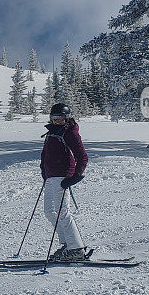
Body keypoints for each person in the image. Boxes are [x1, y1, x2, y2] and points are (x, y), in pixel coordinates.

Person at [40, 103, 89, 261]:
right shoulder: (52, 132)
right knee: (49, 211)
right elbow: (45, 154)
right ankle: (67, 244)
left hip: (63, 177)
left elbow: (82, 156)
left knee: (63, 212)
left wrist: (75, 177)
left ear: (66, 118)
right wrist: (44, 171)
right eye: (54, 118)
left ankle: (77, 249)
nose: (57, 121)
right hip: (50, 177)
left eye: (60, 118)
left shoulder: (70, 133)